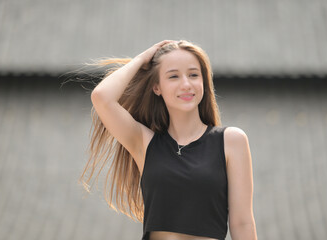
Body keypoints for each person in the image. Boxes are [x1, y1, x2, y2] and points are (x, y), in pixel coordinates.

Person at [79, 40, 257, 240]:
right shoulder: (144, 143)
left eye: (193, 75)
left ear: (204, 82)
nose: (186, 84)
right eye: (173, 76)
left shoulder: (231, 141)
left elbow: (242, 223)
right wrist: (142, 58)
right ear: (157, 87)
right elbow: (102, 97)